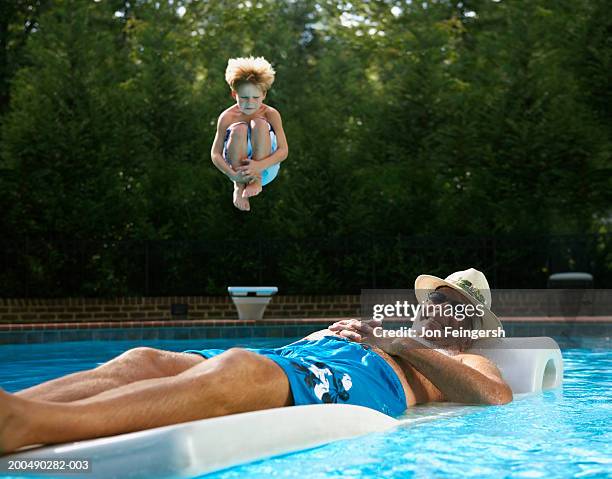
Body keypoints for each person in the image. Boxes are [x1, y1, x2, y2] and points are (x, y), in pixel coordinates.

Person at [0, 268, 511, 454]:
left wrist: (399, 346)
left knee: (236, 370)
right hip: (303, 359)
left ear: (472, 327)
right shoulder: (392, 331)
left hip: (356, 381)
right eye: (437, 302)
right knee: (146, 358)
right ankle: (15, 406)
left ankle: (31, 424)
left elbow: (494, 397)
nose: (440, 312)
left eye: (455, 309)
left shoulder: (461, 359)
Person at [210, 56, 289, 211]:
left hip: (266, 167)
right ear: (234, 95)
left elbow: (283, 150)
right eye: (244, 97)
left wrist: (259, 166)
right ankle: (239, 188)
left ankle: (256, 180)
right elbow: (215, 154)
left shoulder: (271, 114)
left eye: (255, 97)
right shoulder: (227, 117)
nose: (250, 103)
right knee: (239, 128)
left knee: (259, 123)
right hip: (239, 172)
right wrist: (232, 175)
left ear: (264, 94)